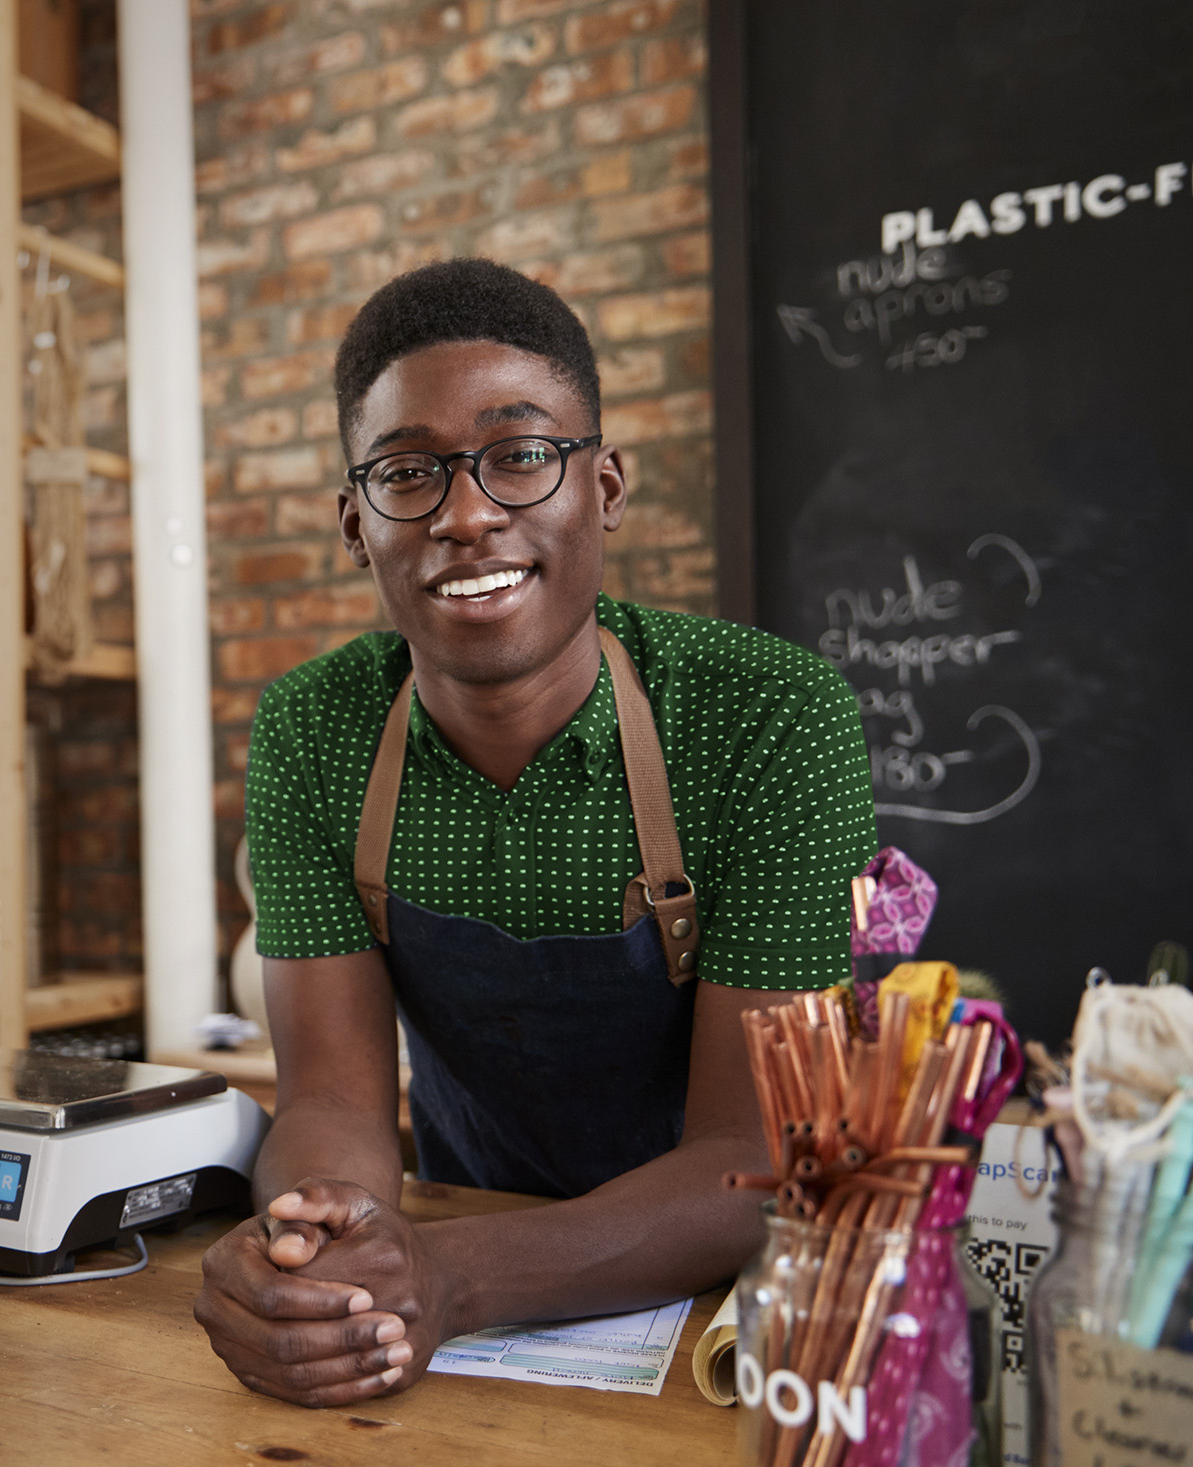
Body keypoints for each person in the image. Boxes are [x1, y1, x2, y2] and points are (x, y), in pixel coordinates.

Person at [193, 259, 877, 1407]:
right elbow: (333, 1103)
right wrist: (318, 1246)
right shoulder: (313, 728)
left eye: (520, 454)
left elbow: (754, 1161)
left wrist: (448, 1277)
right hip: (452, 1312)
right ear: (355, 524)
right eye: (408, 473)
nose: (467, 514)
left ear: (602, 485)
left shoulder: (770, 716)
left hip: (729, 1327)